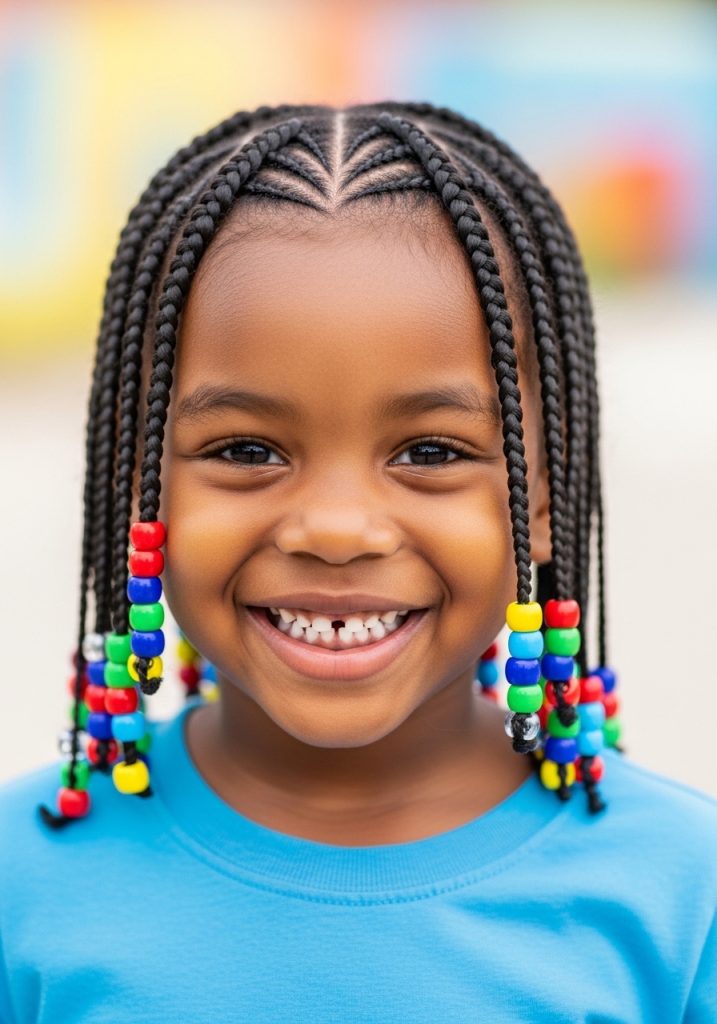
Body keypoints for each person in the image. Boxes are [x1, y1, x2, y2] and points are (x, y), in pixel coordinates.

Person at [0, 101, 714, 1022]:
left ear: (540, 497)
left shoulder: (682, 898)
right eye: (246, 451)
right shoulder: (24, 887)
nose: (337, 529)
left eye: (429, 453)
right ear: (141, 487)